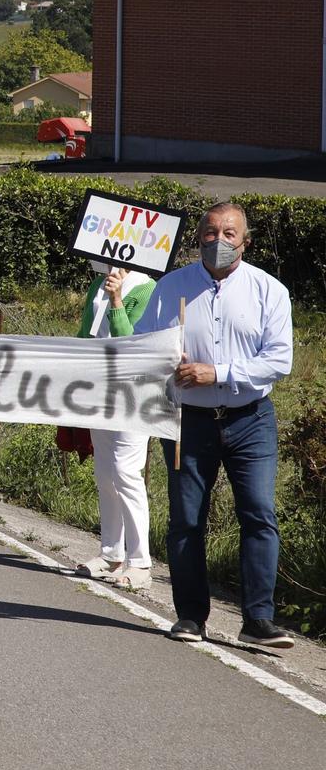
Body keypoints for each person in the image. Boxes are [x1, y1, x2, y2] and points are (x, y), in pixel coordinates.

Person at [138, 203, 295, 649]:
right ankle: (190, 616)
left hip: (251, 420)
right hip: (190, 420)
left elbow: (279, 361)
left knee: (259, 515)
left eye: (229, 233)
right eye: (209, 232)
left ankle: (258, 621)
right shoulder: (171, 288)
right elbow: (146, 348)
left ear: (245, 240)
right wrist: (167, 364)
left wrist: (218, 372)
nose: (218, 241)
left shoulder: (269, 291)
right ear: (198, 238)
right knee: (186, 520)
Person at [72, 262, 156, 591]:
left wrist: (118, 299)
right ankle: (111, 554)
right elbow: (85, 334)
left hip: (135, 395)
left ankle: (140, 562)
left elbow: (131, 342)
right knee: (105, 473)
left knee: (126, 471)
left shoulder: (148, 289)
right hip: (99, 391)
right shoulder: (97, 284)